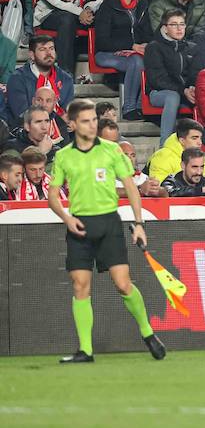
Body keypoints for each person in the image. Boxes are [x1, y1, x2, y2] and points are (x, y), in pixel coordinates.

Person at [47, 99, 166, 363]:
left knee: (123, 284)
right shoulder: (64, 156)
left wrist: (139, 224)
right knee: (80, 286)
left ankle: (147, 333)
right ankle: (85, 350)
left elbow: (131, 187)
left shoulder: (112, 150)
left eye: (94, 119)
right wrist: (66, 218)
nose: (92, 125)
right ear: (72, 124)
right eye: (86, 121)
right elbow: (53, 195)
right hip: (79, 225)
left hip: (108, 224)